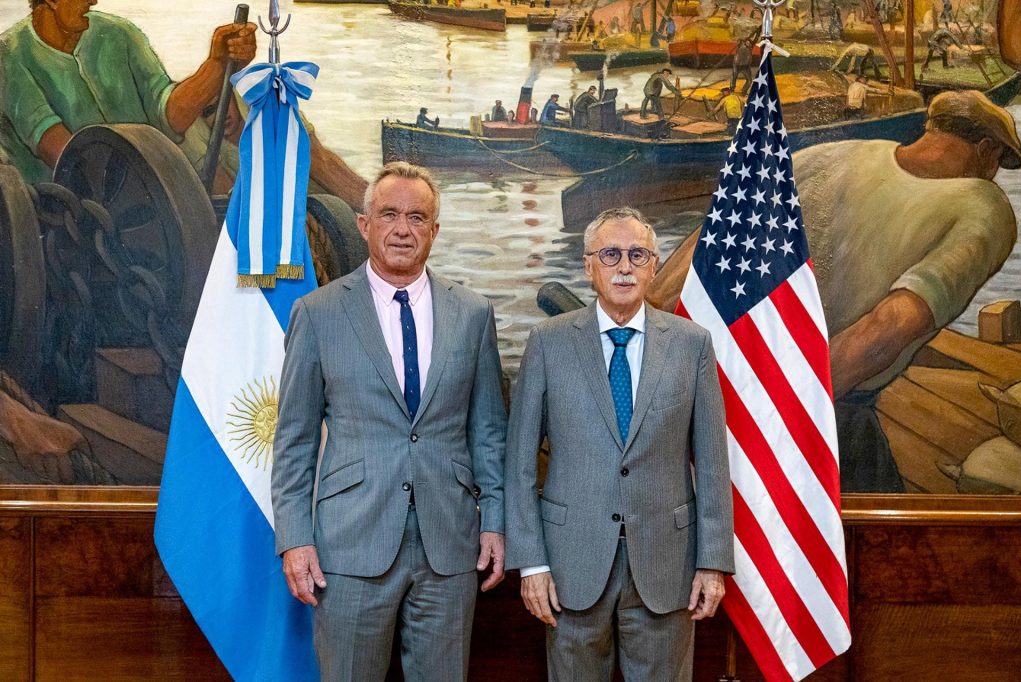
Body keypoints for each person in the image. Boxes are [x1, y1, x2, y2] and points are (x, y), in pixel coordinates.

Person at [647, 90, 1021, 493]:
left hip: (719, 369)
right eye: (998, 162)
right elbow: (889, 325)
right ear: (987, 151)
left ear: (931, 128)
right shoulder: (985, 207)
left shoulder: (830, 155)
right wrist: (775, 416)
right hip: (817, 406)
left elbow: (704, 250)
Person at [272, 162, 508, 681]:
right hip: (350, 543)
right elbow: (293, 439)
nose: (403, 229)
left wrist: (494, 520)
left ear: (435, 230)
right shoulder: (318, 313)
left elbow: (488, 432)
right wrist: (294, 538)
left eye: (417, 217)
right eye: (389, 215)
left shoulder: (473, 313)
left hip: (450, 544)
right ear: (364, 225)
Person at [505, 206, 734, 681]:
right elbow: (519, 464)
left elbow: (713, 463)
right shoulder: (548, 342)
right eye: (610, 254)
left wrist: (712, 563)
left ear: (654, 265)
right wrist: (531, 564)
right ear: (588, 266)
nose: (624, 267)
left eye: (637, 255)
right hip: (569, 566)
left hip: (668, 565)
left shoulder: (692, 344)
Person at [0, 0, 368, 208]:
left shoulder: (119, 34)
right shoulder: (9, 56)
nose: (94, 1)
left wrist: (217, 65)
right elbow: (63, 152)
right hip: (103, 196)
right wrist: (165, 170)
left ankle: (365, 201)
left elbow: (167, 111)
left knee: (269, 105)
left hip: (164, 163)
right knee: (204, 156)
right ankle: (267, 218)